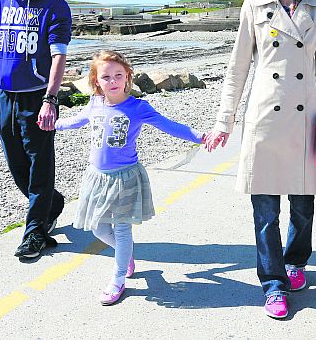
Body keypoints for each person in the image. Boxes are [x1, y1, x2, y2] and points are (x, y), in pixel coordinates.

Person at [204, 0, 316, 319]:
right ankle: (273, 284)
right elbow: (237, 70)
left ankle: (295, 262)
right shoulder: (254, 7)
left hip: (306, 120)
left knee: (301, 207)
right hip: (265, 118)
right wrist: (223, 121)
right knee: (264, 211)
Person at [55, 50, 204, 306]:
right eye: (106, 77)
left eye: (118, 75)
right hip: (97, 177)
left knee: (122, 230)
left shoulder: (137, 107)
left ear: (127, 77)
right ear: (95, 81)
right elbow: (77, 121)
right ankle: (126, 258)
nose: (112, 81)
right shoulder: (95, 103)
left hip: (125, 178)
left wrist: (200, 136)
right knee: (98, 227)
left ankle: (118, 277)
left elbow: (170, 126)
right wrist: (53, 124)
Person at [0, 0, 72, 259]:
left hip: (37, 99)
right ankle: (53, 203)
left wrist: (51, 99)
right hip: (6, 96)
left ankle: (35, 232)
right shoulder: (0, 5)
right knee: (16, 164)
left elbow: (59, 56)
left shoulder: (55, 6)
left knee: (40, 165)